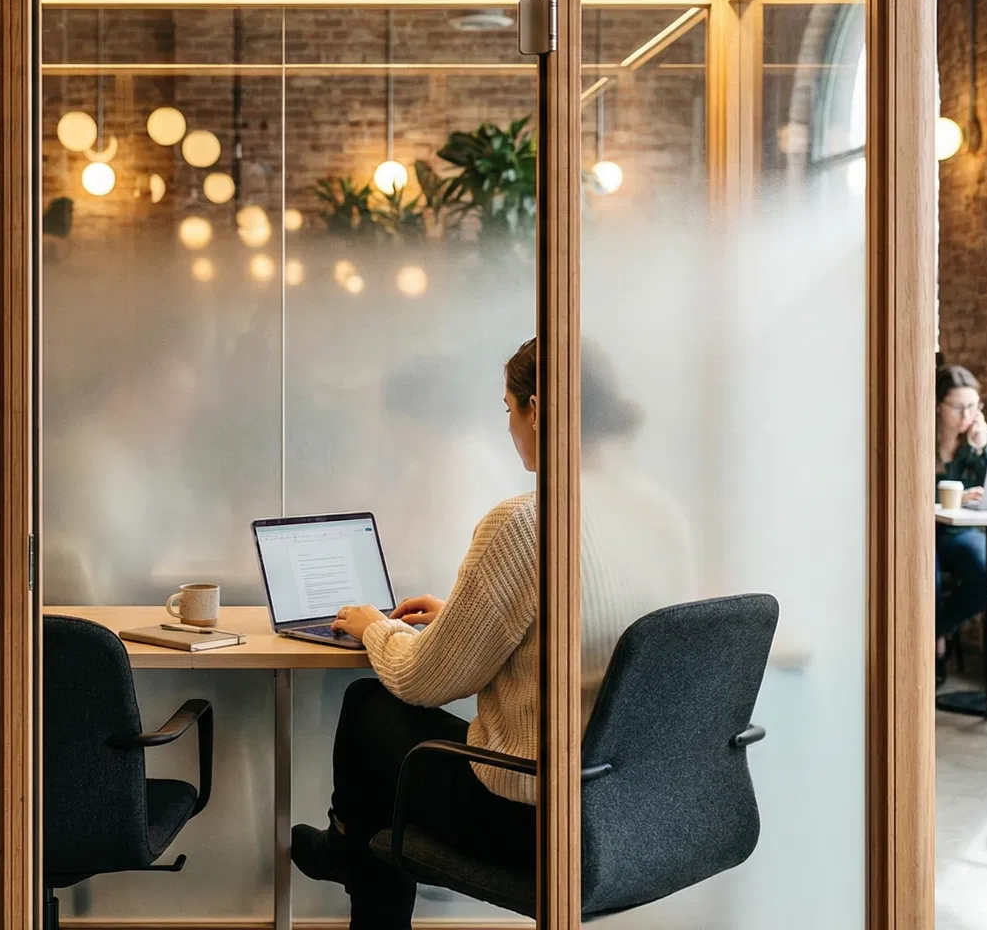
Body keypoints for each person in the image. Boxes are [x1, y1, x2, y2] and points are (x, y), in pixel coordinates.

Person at [289, 338, 693, 929]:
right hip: (631, 803)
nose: (508, 427)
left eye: (508, 410)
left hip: (537, 813)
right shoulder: (659, 514)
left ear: (537, 408)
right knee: (385, 759)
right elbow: (594, 631)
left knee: (369, 706)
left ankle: (348, 852)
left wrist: (373, 626)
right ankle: (351, 851)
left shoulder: (527, 522)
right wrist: (462, 614)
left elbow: (421, 680)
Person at [935, 364, 987, 665]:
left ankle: (936, 633)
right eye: (958, 407)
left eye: (973, 407)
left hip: (959, 532)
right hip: (923, 533)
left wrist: (981, 449)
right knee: (928, 583)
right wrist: (951, 497)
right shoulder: (921, 437)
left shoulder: (981, 439)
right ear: (938, 406)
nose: (966, 416)